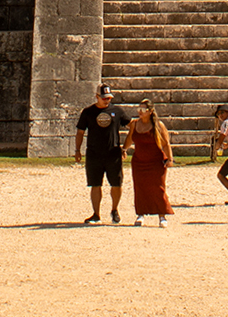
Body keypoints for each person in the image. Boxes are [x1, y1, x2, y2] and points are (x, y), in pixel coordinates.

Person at [72, 84, 128, 224]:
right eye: (104, 98)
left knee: (116, 184)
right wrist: (77, 150)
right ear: (97, 97)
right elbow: (80, 132)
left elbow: (132, 125)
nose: (106, 100)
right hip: (94, 153)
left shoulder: (118, 111)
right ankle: (96, 214)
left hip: (113, 153)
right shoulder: (88, 112)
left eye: (108, 98)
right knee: (95, 184)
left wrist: (126, 147)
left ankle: (115, 210)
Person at [128, 100, 173, 228]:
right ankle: (141, 214)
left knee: (158, 188)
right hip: (139, 161)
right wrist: (124, 149)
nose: (139, 112)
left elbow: (165, 144)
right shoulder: (134, 124)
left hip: (155, 161)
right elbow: (130, 139)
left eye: (143, 110)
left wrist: (170, 158)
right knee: (140, 187)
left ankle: (162, 215)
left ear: (150, 111)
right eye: (139, 109)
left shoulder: (158, 125)